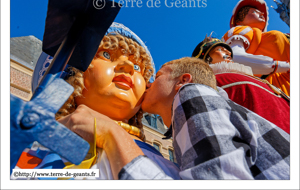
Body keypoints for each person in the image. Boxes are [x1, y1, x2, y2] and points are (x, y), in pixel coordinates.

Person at [54, 57, 290, 180]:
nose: (147, 83)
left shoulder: (193, 96)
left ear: (182, 81)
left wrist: (114, 135)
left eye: (155, 76)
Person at [12, 22, 180, 180]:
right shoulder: (32, 153)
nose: (128, 66)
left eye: (137, 68)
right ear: (73, 77)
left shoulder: (172, 168)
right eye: (106, 55)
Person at [192, 36, 290, 133]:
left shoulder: (245, 75)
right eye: (220, 49)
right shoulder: (212, 83)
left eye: (227, 49)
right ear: (207, 58)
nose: (228, 52)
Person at [222, 0, 290, 96]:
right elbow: (233, 59)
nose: (262, 13)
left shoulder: (268, 36)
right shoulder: (245, 31)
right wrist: (284, 66)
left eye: (261, 12)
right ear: (239, 22)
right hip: (277, 91)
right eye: (254, 11)